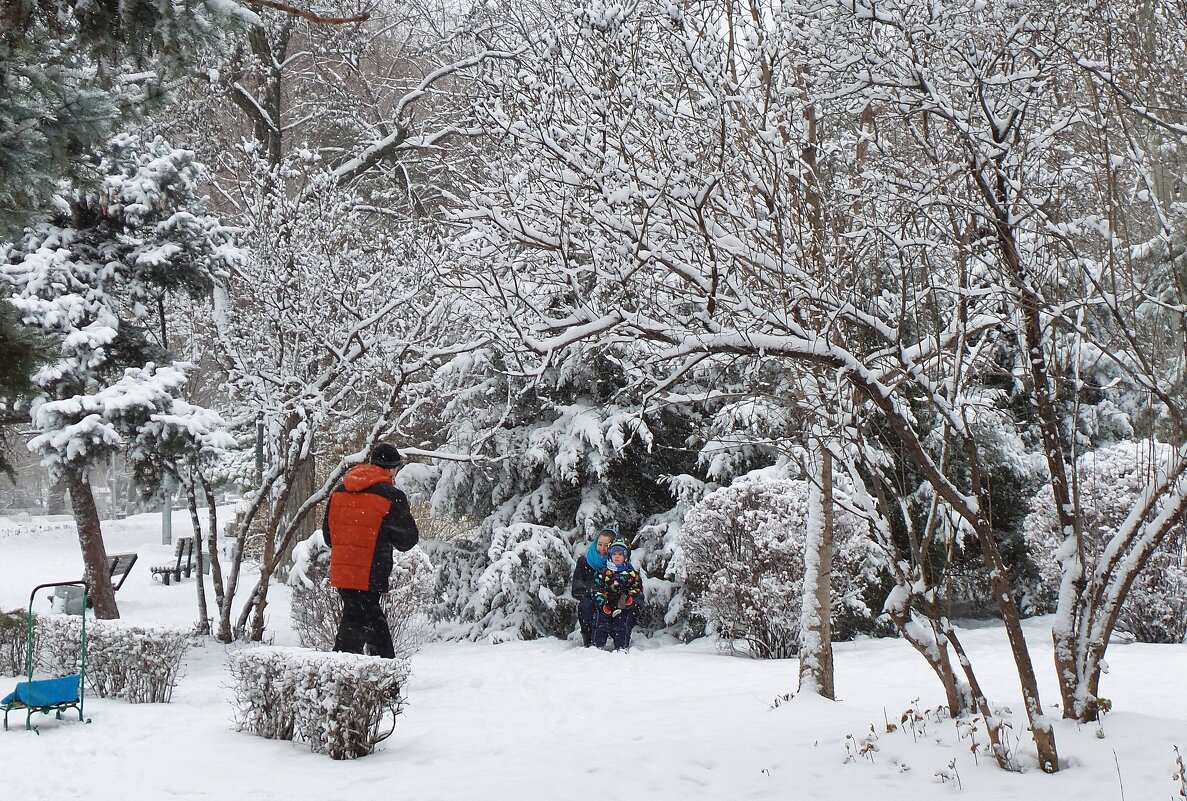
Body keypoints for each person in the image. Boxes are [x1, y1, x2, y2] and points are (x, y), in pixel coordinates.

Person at [323, 442, 419, 659]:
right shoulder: (390, 496)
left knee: (360, 622)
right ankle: (381, 674)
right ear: (392, 468)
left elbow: (329, 536)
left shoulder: (339, 491)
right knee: (367, 626)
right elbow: (407, 540)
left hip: (343, 570)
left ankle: (354, 671)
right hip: (370, 571)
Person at [591, 538, 643, 651]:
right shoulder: (603, 573)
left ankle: (621, 647)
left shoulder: (631, 574)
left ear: (626, 556)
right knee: (600, 622)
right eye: (614, 553)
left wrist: (630, 599)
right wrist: (602, 604)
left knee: (622, 624)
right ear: (610, 555)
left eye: (620, 554)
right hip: (606, 605)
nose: (617, 556)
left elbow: (637, 589)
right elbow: (596, 590)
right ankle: (596, 647)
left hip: (623, 607)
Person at [571, 528, 615, 647]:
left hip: (611, 598)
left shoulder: (618, 562)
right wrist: (592, 593)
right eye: (600, 544)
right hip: (589, 597)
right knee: (586, 606)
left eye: (606, 545)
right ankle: (589, 642)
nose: (602, 548)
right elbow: (576, 589)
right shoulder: (584, 561)